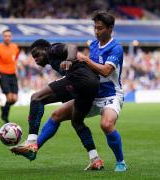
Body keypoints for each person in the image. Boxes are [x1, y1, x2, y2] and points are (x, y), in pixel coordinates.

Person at [11, 39, 104, 170]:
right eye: (33, 58)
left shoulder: (51, 49)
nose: (36, 59)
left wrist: (69, 60)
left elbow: (72, 46)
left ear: (44, 48)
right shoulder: (53, 60)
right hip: (92, 86)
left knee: (36, 97)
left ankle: (31, 142)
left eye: (36, 54)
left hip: (79, 78)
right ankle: (95, 159)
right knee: (77, 122)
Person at [0, 29, 19, 123]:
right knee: (9, 97)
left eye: (9, 36)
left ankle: (4, 110)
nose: (7, 38)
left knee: (15, 99)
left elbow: (15, 59)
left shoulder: (15, 47)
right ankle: (5, 116)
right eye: (5, 36)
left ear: (11, 37)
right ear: (3, 37)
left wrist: (16, 68)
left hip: (13, 74)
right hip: (3, 74)